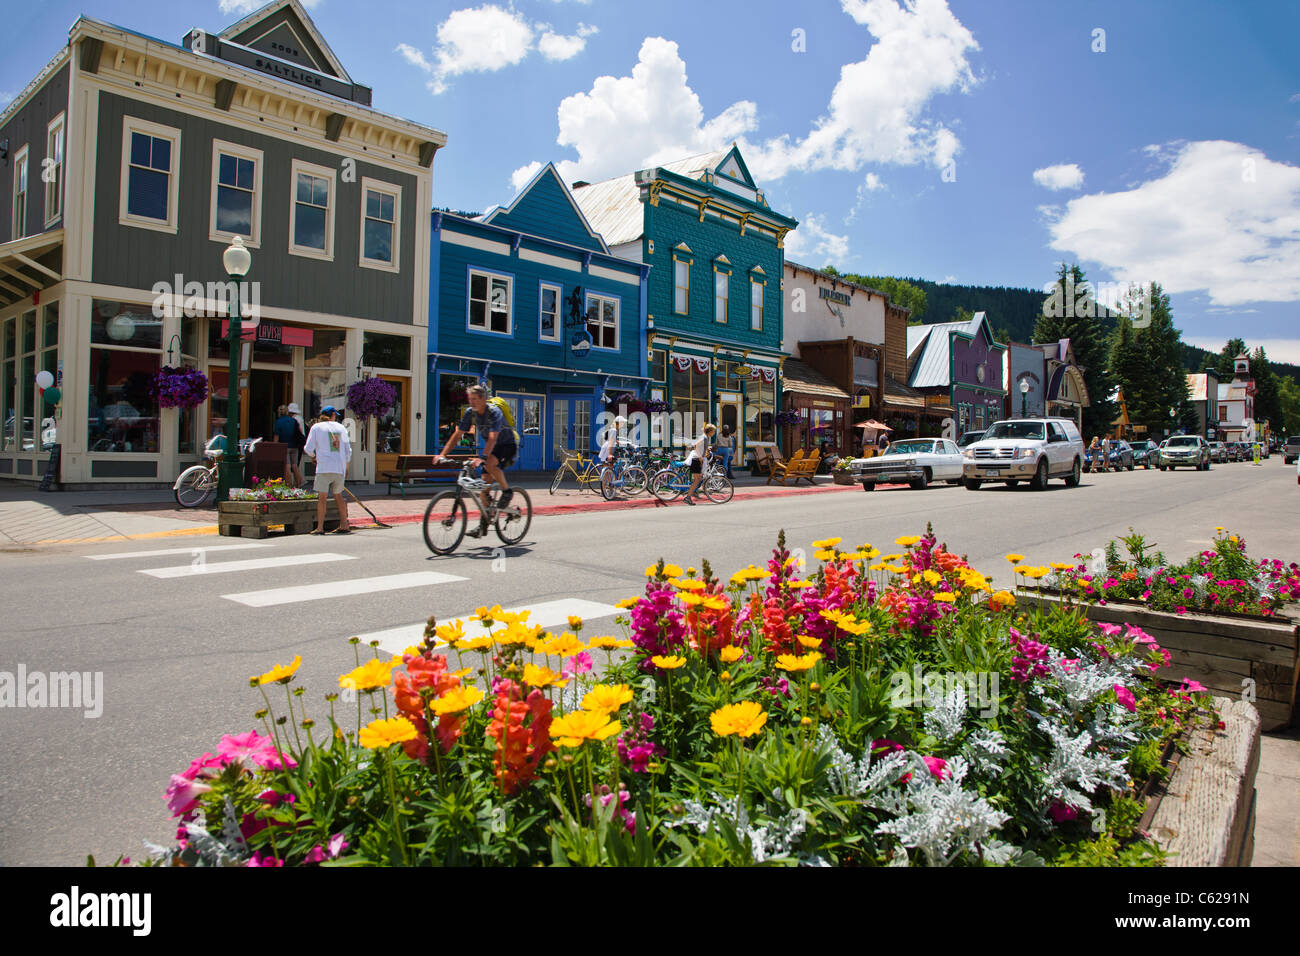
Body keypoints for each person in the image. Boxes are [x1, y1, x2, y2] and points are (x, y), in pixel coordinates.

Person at [436, 385, 517, 538]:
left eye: (475, 399)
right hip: (491, 448)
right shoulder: (470, 413)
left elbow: (493, 438)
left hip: (507, 445)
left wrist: (482, 458)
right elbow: (458, 434)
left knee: (490, 464)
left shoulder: (494, 412)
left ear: (483, 399)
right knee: (483, 489)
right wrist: (442, 454)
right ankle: (483, 526)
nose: (471, 402)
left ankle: (507, 492)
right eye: (470, 399)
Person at [303, 406, 352, 534]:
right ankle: (344, 524)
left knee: (322, 498)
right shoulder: (341, 428)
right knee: (338, 496)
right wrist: (346, 466)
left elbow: (308, 448)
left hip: (324, 466)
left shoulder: (316, 427)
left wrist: (314, 457)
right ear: (332, 416)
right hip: (339, 467)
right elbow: (348, 450)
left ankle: (320, 527)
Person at [682, 423, 717, 505]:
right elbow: (696, 445)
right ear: (710, 431)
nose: (714, 433)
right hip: (696, 460)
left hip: (697, 459)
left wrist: (706, 449)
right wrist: (700, 456)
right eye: (714, 431)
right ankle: (688, 497)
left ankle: (690, 494)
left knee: (698, 479)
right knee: (697, 480)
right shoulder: (704, 437)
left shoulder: (705, 437)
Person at [273, 403, 306, 487]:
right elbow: (300, 432)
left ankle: (288, 484)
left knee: (287, 466)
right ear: (287, 411)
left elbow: (276, 437)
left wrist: (274, 447)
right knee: (294, 465)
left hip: (285, 446)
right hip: (295, 446)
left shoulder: (278, 422)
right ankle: (299, 483)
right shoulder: (293, 420)